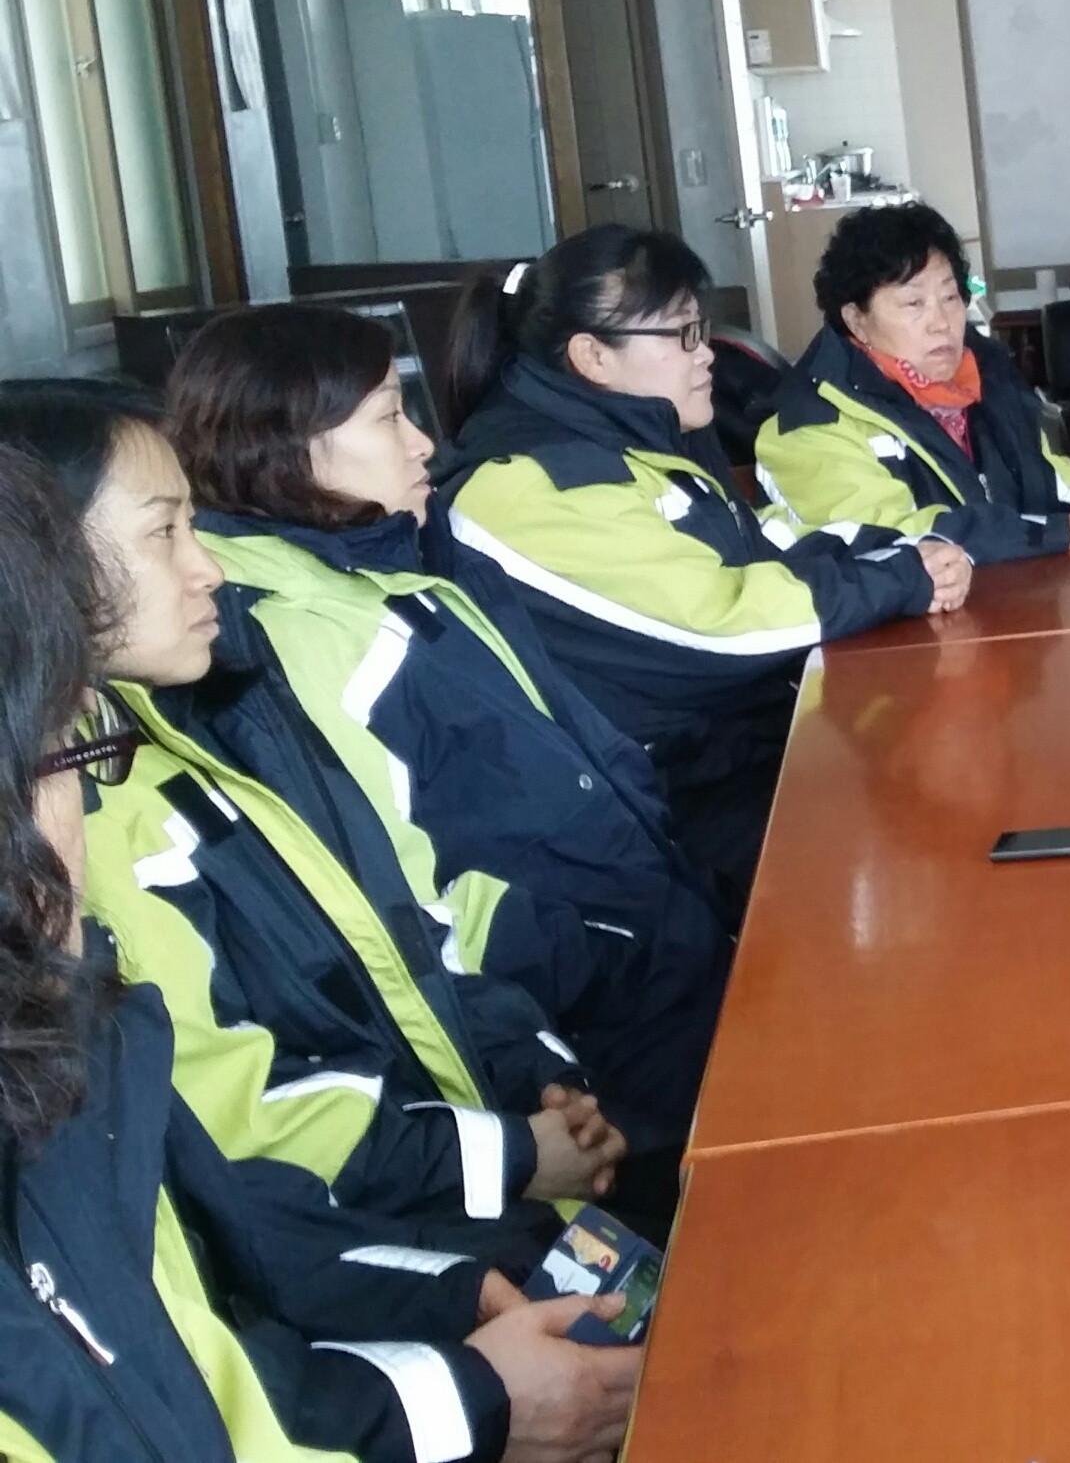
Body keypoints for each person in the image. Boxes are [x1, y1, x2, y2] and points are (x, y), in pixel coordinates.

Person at [0, 445, 641, 1463]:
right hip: (408, 1191)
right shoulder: (116, 843)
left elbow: (406, 935)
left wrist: (529, 1097)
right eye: (163, 531)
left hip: (427, 1192)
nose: (206, 568)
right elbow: (253, 1136)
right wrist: (508, 1168)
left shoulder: (192, 732)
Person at [166, 306, 730, 1231]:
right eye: (388, 418)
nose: (423, 442)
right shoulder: (297, 638)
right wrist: (607, 957)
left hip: (649, 966)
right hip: (586, 1029)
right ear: (285, 449)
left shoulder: (391, 567)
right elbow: (410, 910)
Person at [435, 225, 965, 902]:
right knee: (920, 839)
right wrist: (902, 579)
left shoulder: (644, 445)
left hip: (730, 751)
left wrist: (894, 559)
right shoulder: (529, 485)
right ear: (592, 356)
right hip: (650, 814)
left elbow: (760, 556)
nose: (707, 354)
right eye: (683, 334)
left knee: (942, 767)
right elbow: (720, 621)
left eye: (701, 328)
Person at [754, 201, 1070, 562]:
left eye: (951, 298)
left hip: (1016, 597)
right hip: (912, 618)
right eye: (914, 303)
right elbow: (889, 542)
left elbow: (1043, 473)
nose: (941, 323)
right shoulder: (806, 425)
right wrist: (1061, 532)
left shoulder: (984, 379)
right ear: (857, 320)